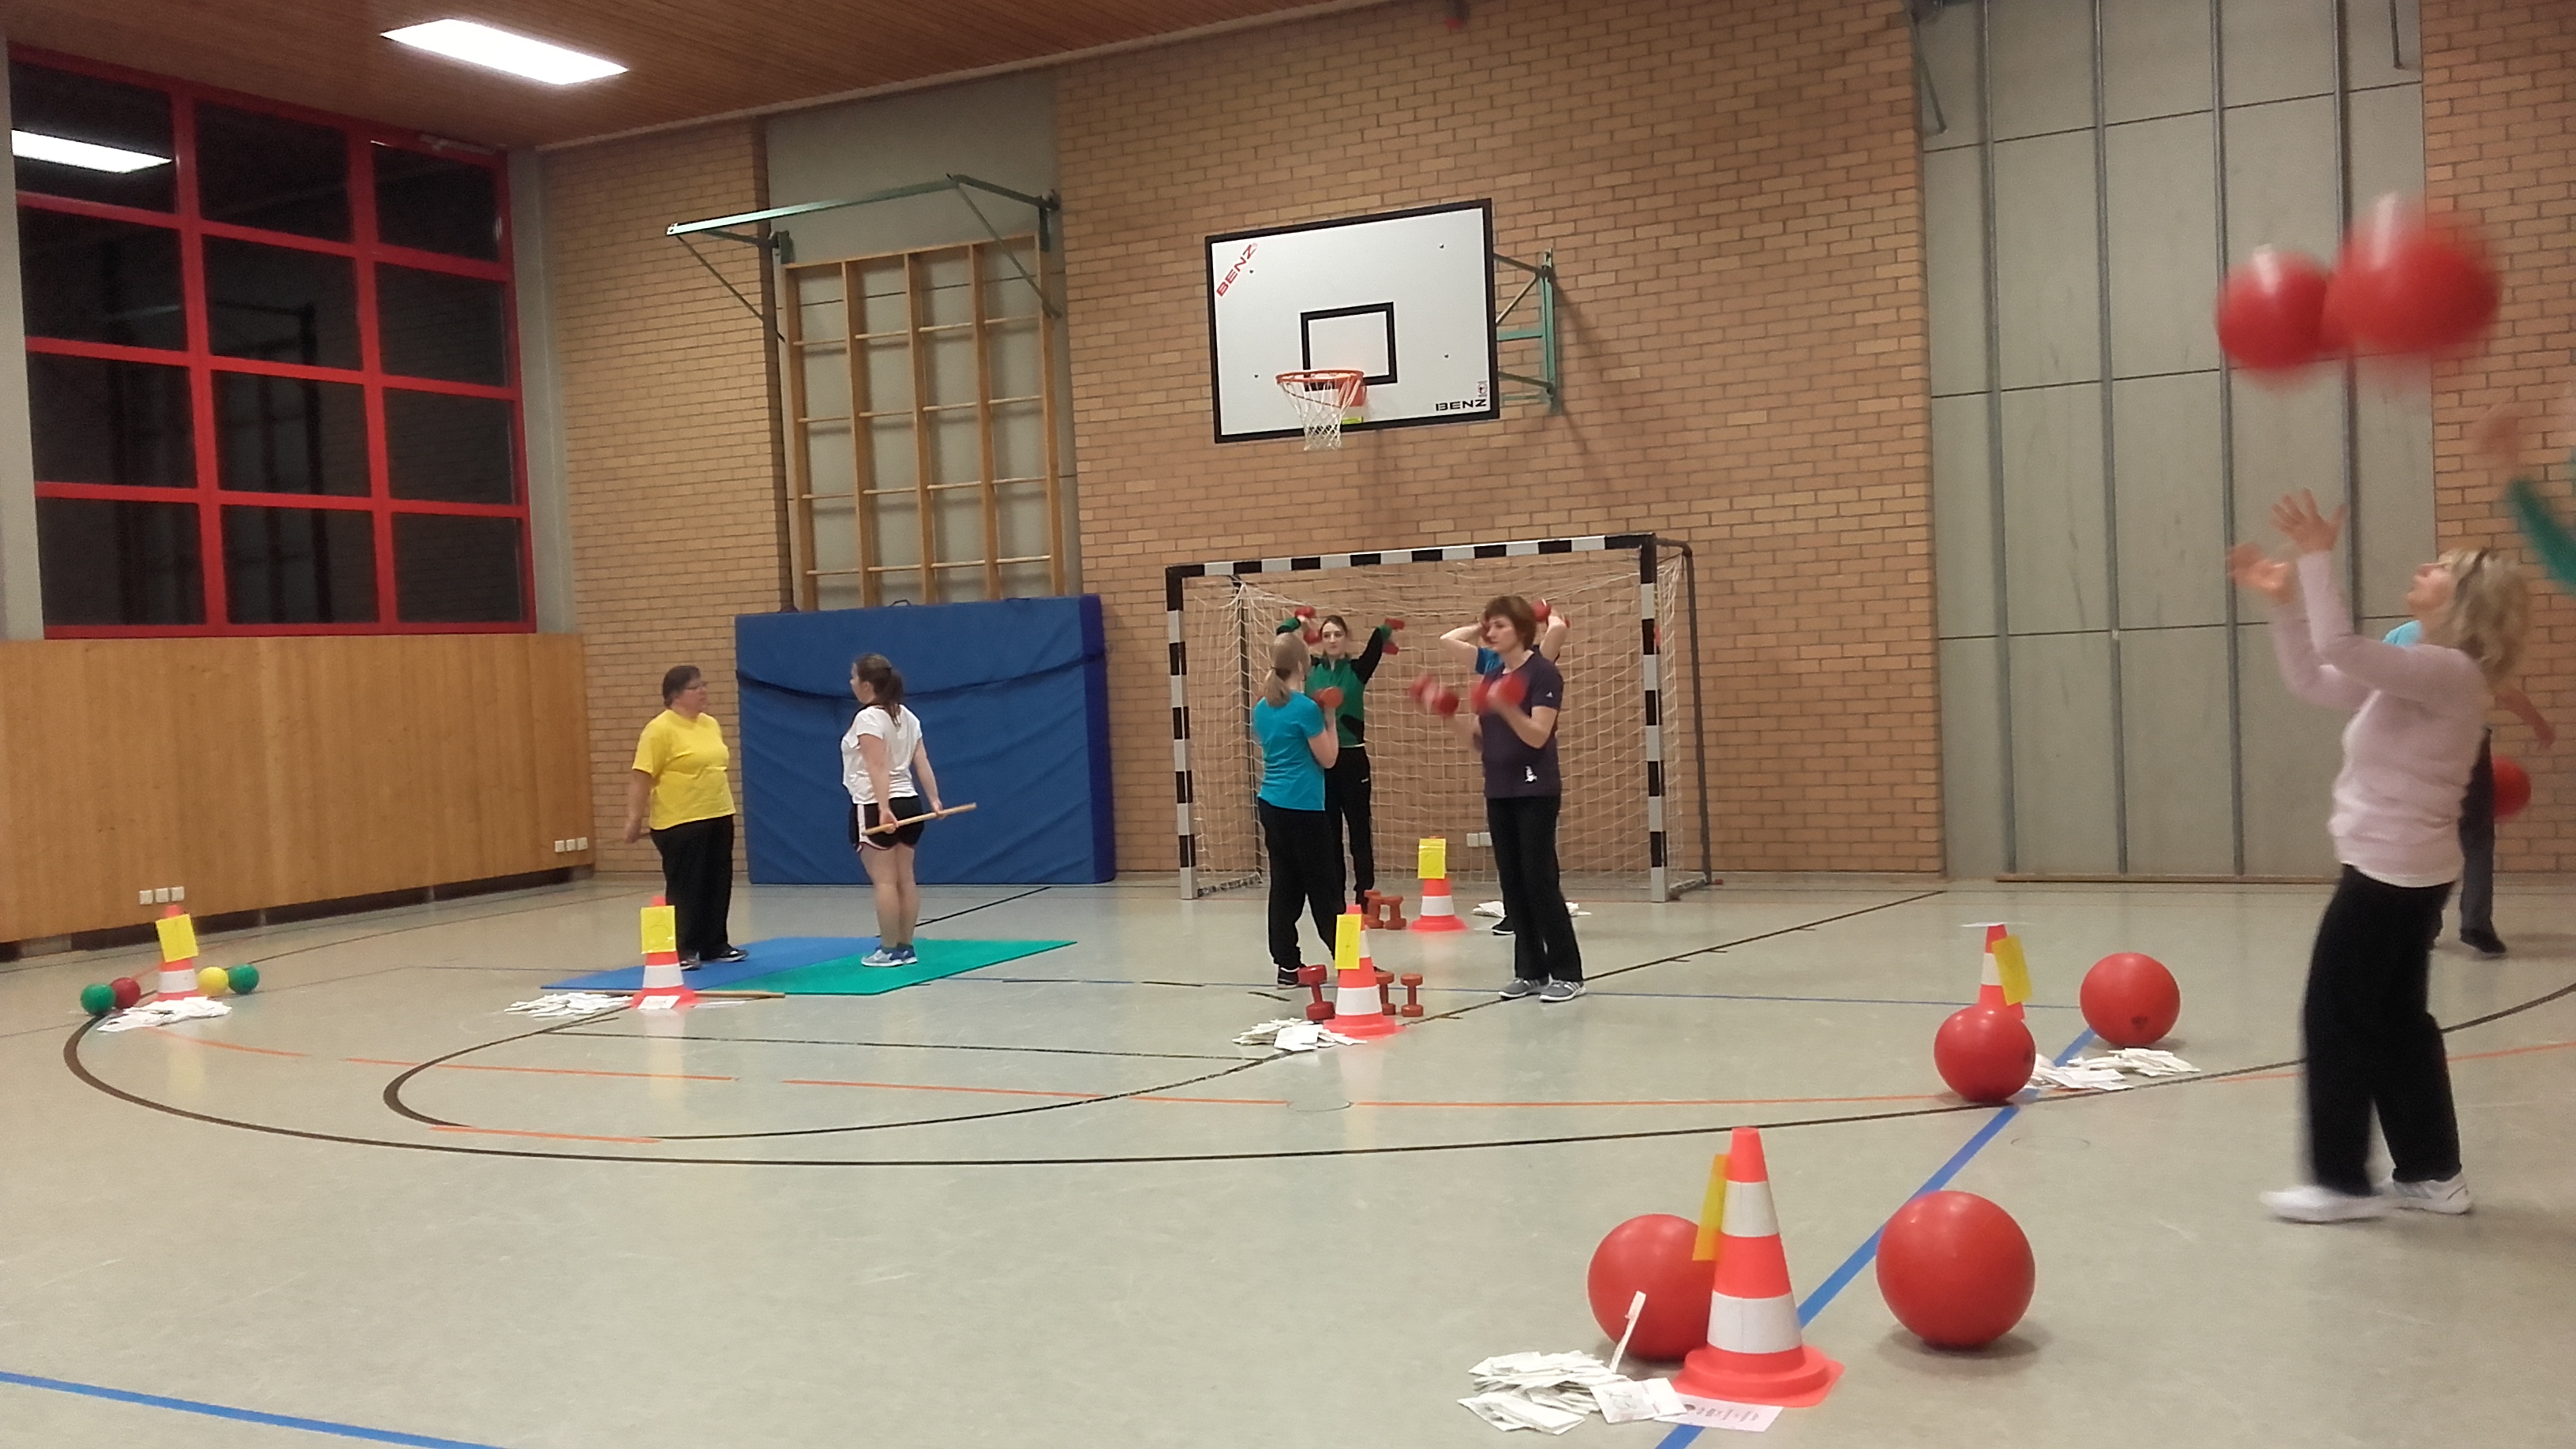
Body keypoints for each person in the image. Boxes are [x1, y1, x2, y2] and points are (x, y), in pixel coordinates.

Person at [2230, 489, 2529, 1222]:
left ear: (2466, 603)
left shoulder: (2449, 671)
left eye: (2441, 568)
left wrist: (2316, 557)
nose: (2424, 567)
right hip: (2406, 874)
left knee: (2333, 1017)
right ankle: (2432, 1173)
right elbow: (2317, 678)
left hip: (2388, 877)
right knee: (2395, 1023)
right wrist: (2284, 604)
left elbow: (2338, 647)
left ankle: (2339, 1183)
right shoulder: (2421, 669)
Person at [2379, 618, 2552, 957]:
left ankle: (2424, 925)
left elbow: (2375, 689)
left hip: (2415, 747)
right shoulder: (2468, 637)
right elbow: (2503, 691)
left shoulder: (2398, 636)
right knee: (2476, 837)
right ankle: (2476, 923)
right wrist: (2539, 724)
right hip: (2464, 744)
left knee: (2424, 835)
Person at [1442, 595, 1582, 1002]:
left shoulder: (1543, 673)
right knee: (1513, 883)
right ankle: (1530, 971)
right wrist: (1448, 714)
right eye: (1488, 625)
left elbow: (1537, 735)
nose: (1491, 632)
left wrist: (1506, 706)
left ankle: (1568, 973)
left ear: (1521, 629)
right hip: (1499, 788)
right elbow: (1478, 740)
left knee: (1540, 881)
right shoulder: (1491, 675)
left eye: (1500, 625)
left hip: (1535, 788)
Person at [623, 665, 745, 967]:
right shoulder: (659, 730)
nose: (703, 691)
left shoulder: (709, 724)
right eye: (696, 687)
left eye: (704, 685)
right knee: (686, 885)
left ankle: (714, 943)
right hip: (680, 820)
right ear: (676, 695)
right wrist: (634, 818)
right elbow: (642, 777)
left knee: (718, 881)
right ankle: (682, 948)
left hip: (718, 812)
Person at [1276, 613, 1393, 904]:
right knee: (1329, 834)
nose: (1332, 640)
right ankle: (1335, 899)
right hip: (1322, 760)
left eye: (1337, 634)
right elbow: (1282, 637)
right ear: (1320, 639)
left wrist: (1387, 628)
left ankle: (1365, 896)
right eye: (1326, 635)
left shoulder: (1357, 669)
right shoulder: (1310, 667)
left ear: (1346, 638)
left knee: (1360, 831)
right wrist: (1299, 622)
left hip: (1353, 760)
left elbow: (1378, 639)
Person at [1252, 631, 1342, 988]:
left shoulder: (1262, 707)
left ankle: (1287, 965)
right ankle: (1348, 960)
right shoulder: (1305, 708)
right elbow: (1329, 759)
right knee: (1325, 888)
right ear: (1303, 664)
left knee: (1285, 887)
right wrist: (1330, 717)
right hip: (1303, 808)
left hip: (1271, 805)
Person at [844, 653, 944, 968]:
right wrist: (934, 800)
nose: (851, 683)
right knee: (905, 879)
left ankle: (888, 950)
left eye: (853, 677)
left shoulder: (868, 718)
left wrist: (884, 808)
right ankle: (905, 947)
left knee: (886, 882)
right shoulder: (907, 716)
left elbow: (877, 766)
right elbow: (922, 762)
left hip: (876, 804)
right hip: (910, 802)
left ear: (867, 684)